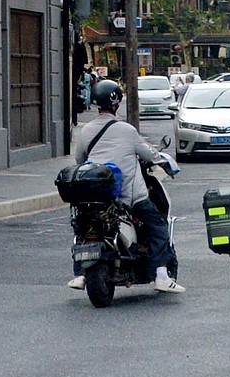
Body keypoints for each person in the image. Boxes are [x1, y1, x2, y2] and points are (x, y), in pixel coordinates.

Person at [65, 78, 184, 294]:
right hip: (129, 196)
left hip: (97, 196)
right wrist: (164, 161)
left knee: (84, 226)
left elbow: (80, 160)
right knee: (157, 227)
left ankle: (80, 273)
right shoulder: (127, 130)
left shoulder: (86, 131)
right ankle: (161, 275)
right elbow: (150, 154)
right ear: (117, 103)